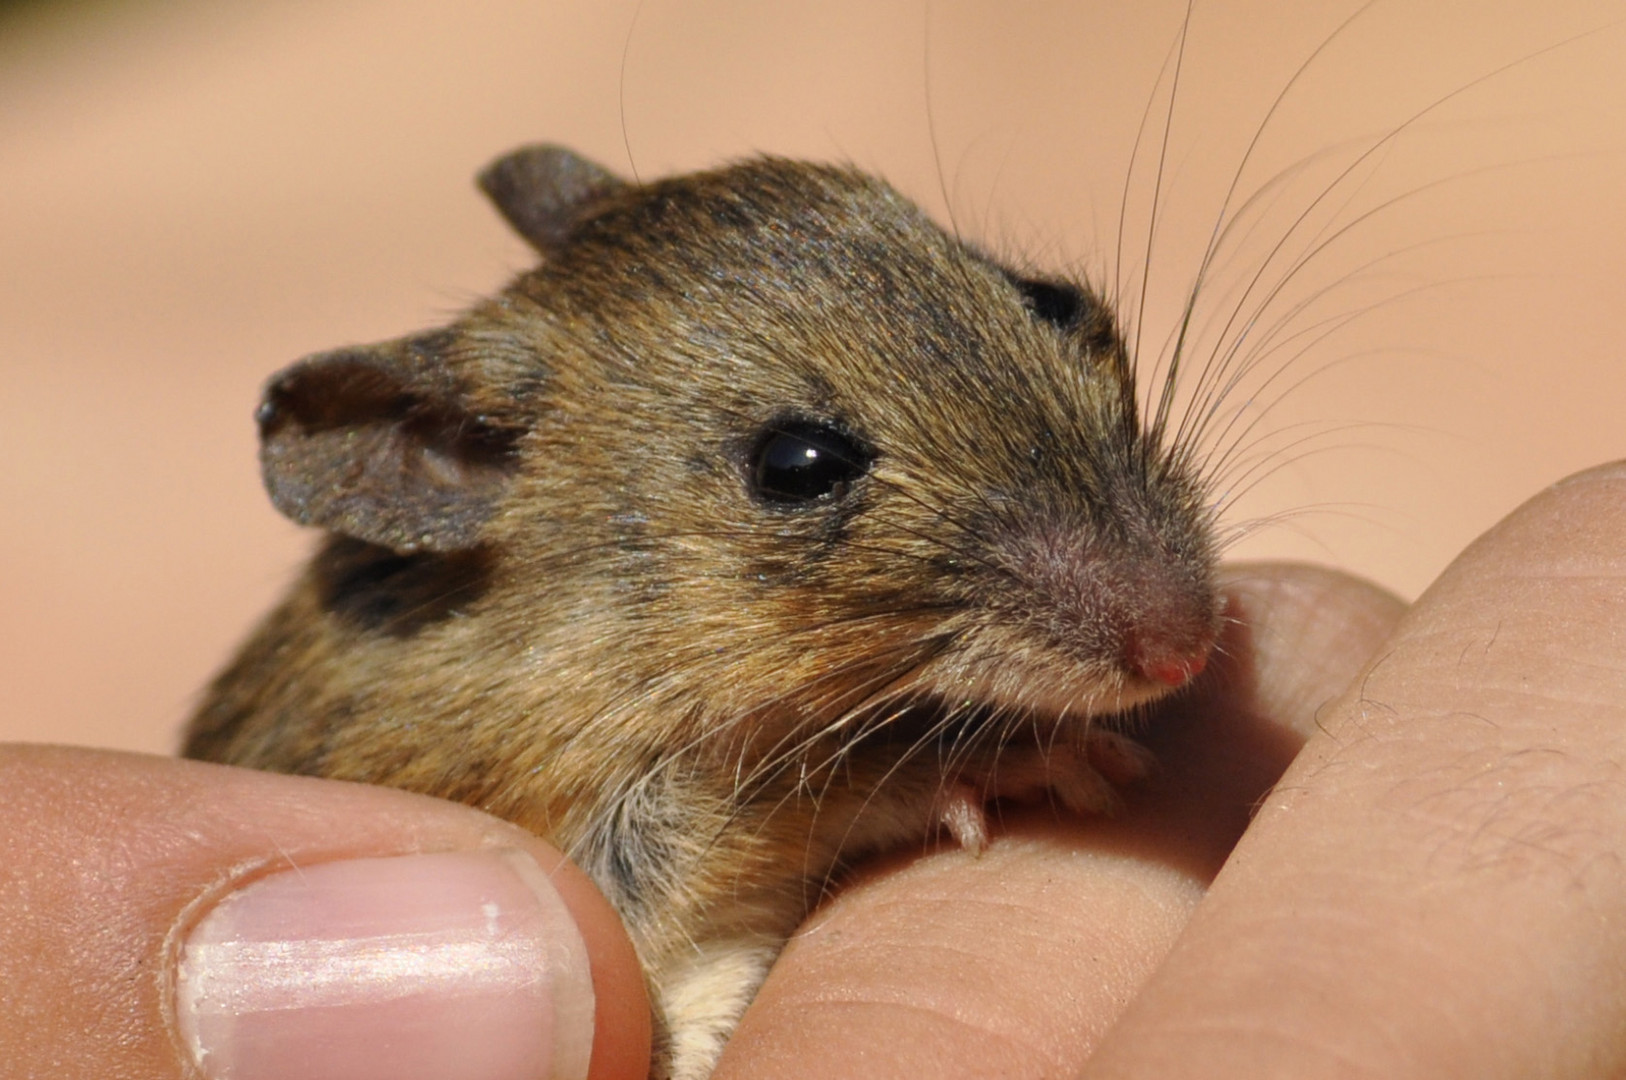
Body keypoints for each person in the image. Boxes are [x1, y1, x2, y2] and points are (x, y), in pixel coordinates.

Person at [8, 462, 1625, 1080]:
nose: (1168, 620)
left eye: (1062, 326)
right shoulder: (469, 689)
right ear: (434, 474)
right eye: (805, 475)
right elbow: (631, 866)